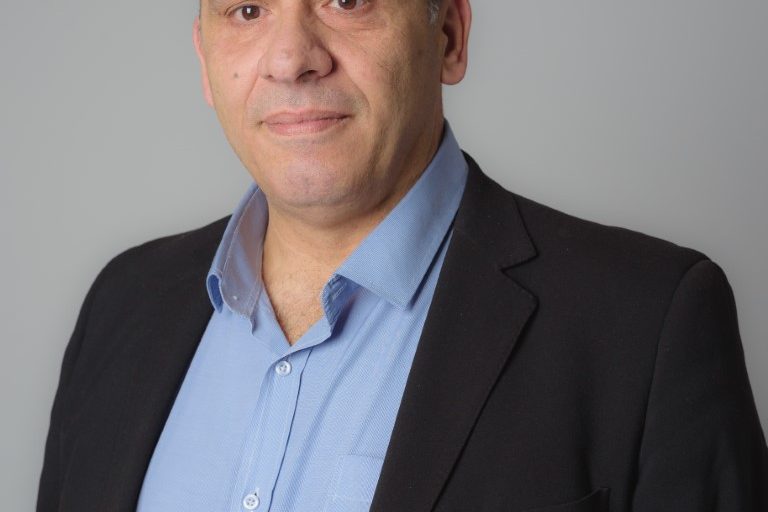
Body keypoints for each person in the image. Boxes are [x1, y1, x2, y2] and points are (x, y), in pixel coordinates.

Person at [37, 0, 768, 510]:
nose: (291, 59)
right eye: (247, 10)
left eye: (347, 1)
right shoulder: (122, 305)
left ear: (448, 35)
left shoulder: (647, 326)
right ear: (204, 57)